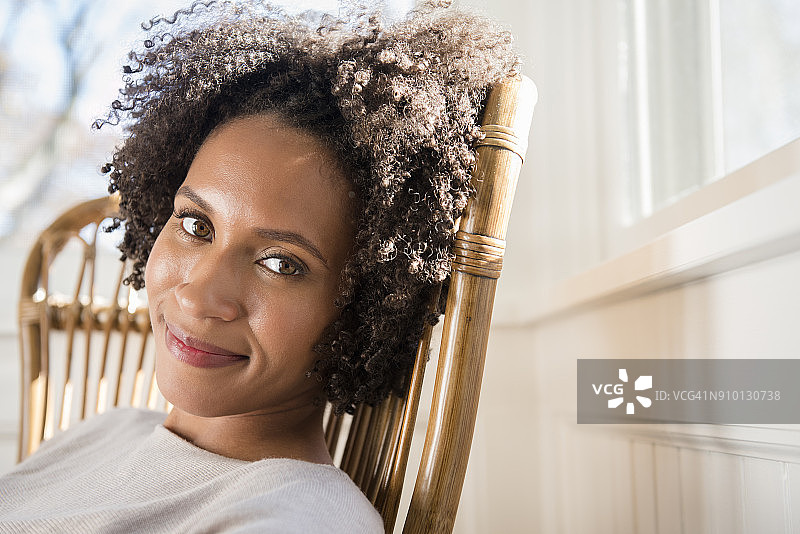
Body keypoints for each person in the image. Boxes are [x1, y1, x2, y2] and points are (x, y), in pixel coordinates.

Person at [0, 1, 520, 532]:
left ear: (364, 308)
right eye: (197, 225)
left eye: (281, 263)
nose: (199, 296)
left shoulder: (294, 517)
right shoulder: (105, 432)